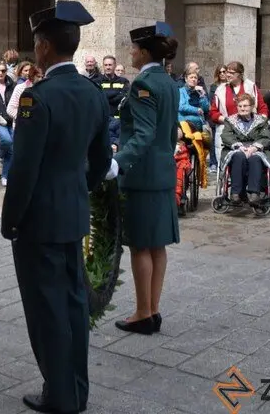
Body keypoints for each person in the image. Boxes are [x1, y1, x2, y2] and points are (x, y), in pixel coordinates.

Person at [1, 1, 111, 414]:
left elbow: (24, 170)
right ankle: (77, 390)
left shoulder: (36, 98)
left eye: (36, 45)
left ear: (45, 47)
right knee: (73, 303)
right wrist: (79, 188)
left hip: (38, 222)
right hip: (72, 213)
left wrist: (11, 220)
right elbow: (101, 160)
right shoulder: (93, 93)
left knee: (45, 309)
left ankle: (60, 395)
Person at [110, 21, 180, 337]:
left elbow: (143, 134)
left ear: (144, 52)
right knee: (157, 245)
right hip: (163, 171)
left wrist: (117, 163)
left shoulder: (144, 84)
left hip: (141, 175)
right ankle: (152, 310)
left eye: (134, 48)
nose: (131, 52)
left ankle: (142, 312)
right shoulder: (167, 82)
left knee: (140, 245)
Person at [220, 93, 270, 206]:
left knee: (255, 159)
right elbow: (226, 135)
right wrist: (239, 146)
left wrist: (254, 148)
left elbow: (266, 137)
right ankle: (235, 193)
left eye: (245, 106)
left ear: (252, 106)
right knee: (238, 156)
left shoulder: (261, 121)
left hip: (256, 148)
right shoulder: (230, 120)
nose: (242, 108)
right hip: (237, 148)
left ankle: (254, 194)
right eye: (240, 106)